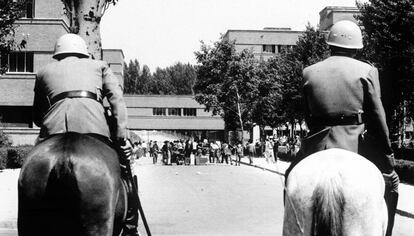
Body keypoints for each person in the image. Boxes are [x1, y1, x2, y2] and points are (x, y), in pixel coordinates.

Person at [285, 20, 399, 236]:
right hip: (355, 141)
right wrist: (388, 155)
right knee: (391, 183)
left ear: (329, 45)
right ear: (357, 47)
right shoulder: (367, 70)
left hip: (319, 142)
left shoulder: (309, 72)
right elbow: (377, 115)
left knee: (292, 176)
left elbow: (308, 115)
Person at [32, 33, 139, 236]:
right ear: (84, 51)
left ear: (58, 52)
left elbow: (37, 115)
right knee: (126, 169)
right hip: (94, 127)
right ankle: (130, 227)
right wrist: (121, 136)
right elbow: (116, 99)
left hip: (53, 129)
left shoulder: (43, 71)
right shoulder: (100, 66)